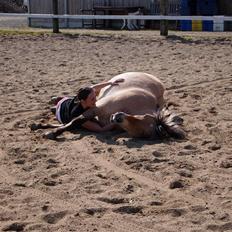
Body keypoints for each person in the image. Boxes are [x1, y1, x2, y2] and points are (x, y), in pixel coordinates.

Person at [51, 79, 124, 133]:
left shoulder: (82, 95)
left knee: (72, 98)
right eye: (92, 99)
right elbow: (100, 129)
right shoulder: (79, 115)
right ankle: (56, 105)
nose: (95, 100)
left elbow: (94, 88)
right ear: (83, 101)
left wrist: (110, 83)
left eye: (95, 97)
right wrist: (115, 122)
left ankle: (58, 100)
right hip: (61, 114)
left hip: (65, 101)